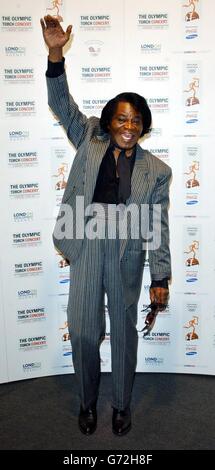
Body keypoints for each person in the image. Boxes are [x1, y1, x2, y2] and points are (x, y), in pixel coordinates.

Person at [40, 15, 172, 436]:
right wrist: (56, 54)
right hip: (87, 240)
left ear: (143, 126)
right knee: (82, 330)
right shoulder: (90, 136)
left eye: (136, 120)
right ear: (109, 121)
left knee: (125, 336)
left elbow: (158, 224)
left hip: (129, 250)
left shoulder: (158, 170)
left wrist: (161, 276)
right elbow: (62, 105)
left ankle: (120, 405)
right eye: (122, 118)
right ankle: (87, 402)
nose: (128, 126)